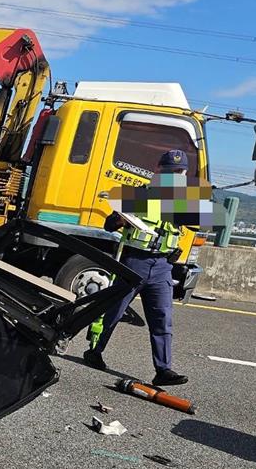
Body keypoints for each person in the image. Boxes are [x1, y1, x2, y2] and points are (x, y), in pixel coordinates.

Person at [83, 149, 193, 386]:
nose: (174, 177)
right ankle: (94, 351)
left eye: (179, 173)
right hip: (134, 262)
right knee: (114, 310)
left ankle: (163, 370)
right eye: (169, 172)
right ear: (158, 170)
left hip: (163, 265)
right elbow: (109, 225)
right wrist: (122, 219)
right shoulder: (138, 195)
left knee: (163, 317)